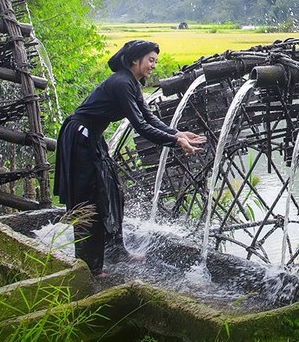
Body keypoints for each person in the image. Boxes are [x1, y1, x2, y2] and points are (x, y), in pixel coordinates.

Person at [53, 39, 206, 274]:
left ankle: (115, 249)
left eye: (156, 61)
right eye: (151, 60)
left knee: (113, 191)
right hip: (79, 139)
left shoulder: (132, 83)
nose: (153, 65)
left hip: (92, 138)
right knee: (89, 199)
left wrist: (178, 132)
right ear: (135, 59)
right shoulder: (121, 83)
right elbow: (140, 126)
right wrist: (175, 142)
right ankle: (88, 268)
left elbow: (148, 118)